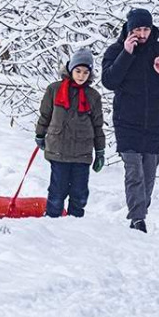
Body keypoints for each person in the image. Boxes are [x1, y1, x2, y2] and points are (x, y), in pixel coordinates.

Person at [101, 8, 159, 233]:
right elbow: (109, 81)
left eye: (146, 29)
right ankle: (137, 219)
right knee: (134, 171)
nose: (142, 34)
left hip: (153, 122)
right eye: (138, 30)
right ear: (129, 30)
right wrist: (126, 54)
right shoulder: (116, 50)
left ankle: (141, 212)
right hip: (126, 121)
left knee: (149, 173)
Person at [35, 48, 105, 218]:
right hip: (58, 149)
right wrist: (40, 135)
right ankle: (52, 219)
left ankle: (75, 223)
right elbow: (46, 115)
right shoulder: (54, 90)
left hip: (82, 152)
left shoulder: (93, 96)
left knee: (80, 192)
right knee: (57, 190)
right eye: (78, 71)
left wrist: (100, 151)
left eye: (85, 72)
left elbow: (97, 126)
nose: (81, 76)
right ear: (70, 69)